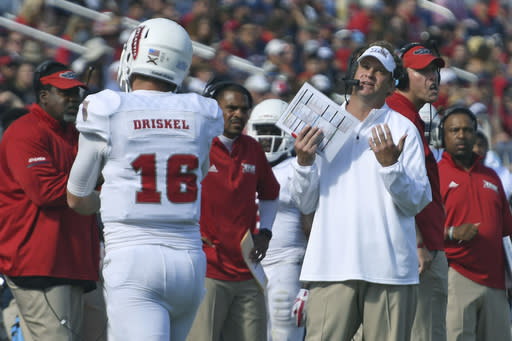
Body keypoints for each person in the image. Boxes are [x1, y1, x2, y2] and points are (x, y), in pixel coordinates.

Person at [65, 18, 224, 341]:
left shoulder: (107, 107)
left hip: (134, 256)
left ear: (133, 56)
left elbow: (76, 196)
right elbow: (201, 173)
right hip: (190, 262)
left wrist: (108, 195)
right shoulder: (201, 111)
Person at [289, 41, 432, 341]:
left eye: (380, 72)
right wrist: (303, 163)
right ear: (355, 71)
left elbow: (416, 202)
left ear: (392, 86)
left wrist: (391, 167)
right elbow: (304, 202)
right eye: (366, 67)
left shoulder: (404, 127)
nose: (369, 74)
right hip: (330, 266)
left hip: (390, 270)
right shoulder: (320, 124)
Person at [0, 60, 101, 341]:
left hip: (74, 260)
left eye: (76, 93)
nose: (73, 100)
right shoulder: (25, 131)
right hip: (39, 263)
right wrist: (100, 191)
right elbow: (45, 191)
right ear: (44, 95)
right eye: (65, 93)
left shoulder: (79, 134)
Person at [187, 81, 280, 341]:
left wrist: (266, 232)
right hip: (207, 267)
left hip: (246, 267)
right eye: (231, 108)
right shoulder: (195, 144)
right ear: (213, 108)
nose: (238, 114)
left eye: (244, 109)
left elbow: (271, 193)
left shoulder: (252, 148)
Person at [386, 42, 449, 341]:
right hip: (418, 249)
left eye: (435, 70)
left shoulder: (409, 115)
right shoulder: (398, 115)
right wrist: (419, 241)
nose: (433, 77)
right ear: (400, 75)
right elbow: (395, 185)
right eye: (423, 71)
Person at [437, 107, 512, 341]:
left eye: (467, 130)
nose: (462, 135)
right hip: (455, 275)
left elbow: (505, 231)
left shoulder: (492, 176)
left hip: (495, 280)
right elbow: (418, 230)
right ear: (443, 136)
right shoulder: (434, 175)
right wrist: (451, 232)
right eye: (454, 130)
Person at [246, 98, 309, 341]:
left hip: (286, 261)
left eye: (273, 131)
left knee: (284, 323)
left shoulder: (299, 167)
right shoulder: (243, 163)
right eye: (261, 131)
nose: (266, 138)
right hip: (246, 263)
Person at [473, 130, 512, 203]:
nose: (476, 149)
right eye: (472, 145)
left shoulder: (501, 175)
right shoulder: (457, 177)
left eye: (480, 145)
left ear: (487, 148)